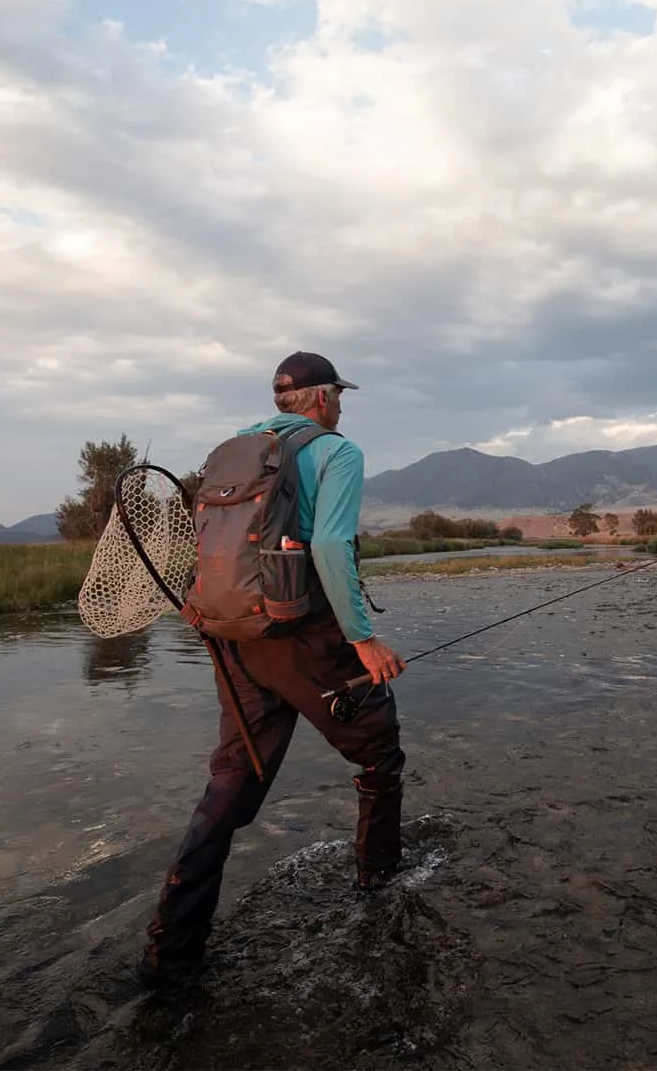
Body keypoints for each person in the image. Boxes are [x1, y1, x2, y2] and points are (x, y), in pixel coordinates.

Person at [138, 351, 408, 992]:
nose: (341, 405)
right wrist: (364, 642)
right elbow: (329, 546)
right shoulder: (337, 453)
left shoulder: (236, 451)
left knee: (232, 784)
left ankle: (168, 954)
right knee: (380, 754)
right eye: (338, 395)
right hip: (302, 638)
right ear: (318, 398)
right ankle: (381, 886)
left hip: (232, 639)